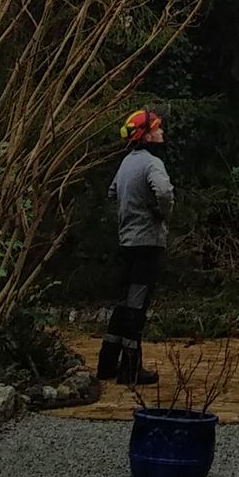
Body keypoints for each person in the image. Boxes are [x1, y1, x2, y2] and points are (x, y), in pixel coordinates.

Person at [95, 107, 174, 385]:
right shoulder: (152, 164)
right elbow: (164, 192)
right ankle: (131, 369)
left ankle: (106, 363)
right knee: (137, 305)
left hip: (126, 241)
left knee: (123, 301)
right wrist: (160, 213)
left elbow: (112, 192)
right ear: (147, 135)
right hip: (147, 243)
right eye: (157, 128)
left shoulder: (126, 163)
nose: (161, 131)